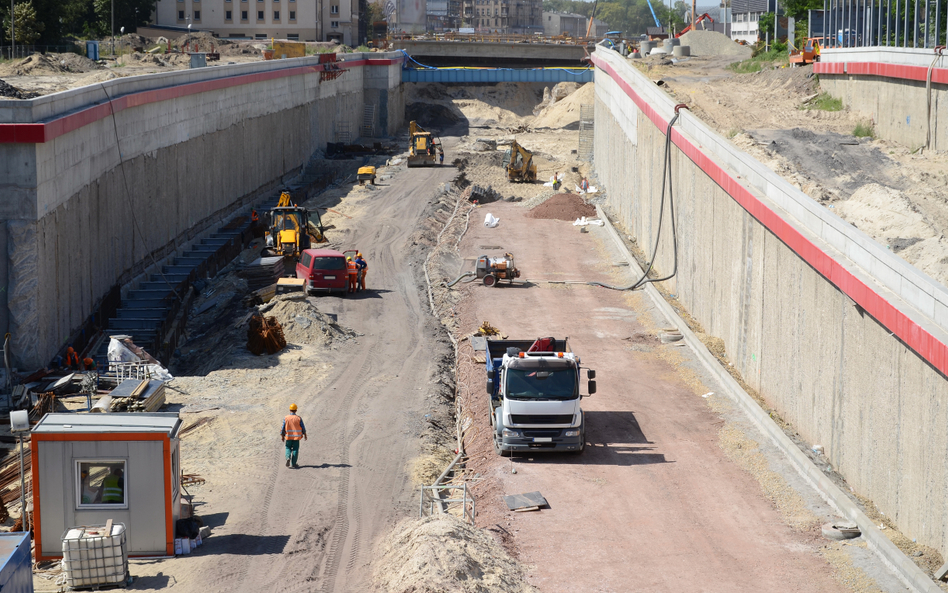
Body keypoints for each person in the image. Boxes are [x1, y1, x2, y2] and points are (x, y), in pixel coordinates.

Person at [281, 403, 307, 468]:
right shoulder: (298, 418)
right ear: (296, 410)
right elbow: (303, 428)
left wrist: (282, 436)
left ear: (290, 409)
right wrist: (305, 435)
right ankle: (294, 463)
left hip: (288, 436)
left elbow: (283, 428)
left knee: (288, 448)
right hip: (296, 437)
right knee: (295, 449)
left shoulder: (286, 418)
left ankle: (288, 457)